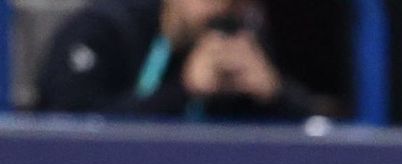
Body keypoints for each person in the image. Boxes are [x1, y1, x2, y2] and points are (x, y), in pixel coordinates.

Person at [35, 0, 316, 121]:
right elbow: (73, 135)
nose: (221, 7)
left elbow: (315, 138)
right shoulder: (104, 30)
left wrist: (274, 94)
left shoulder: (236, 37)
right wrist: (184, 88)